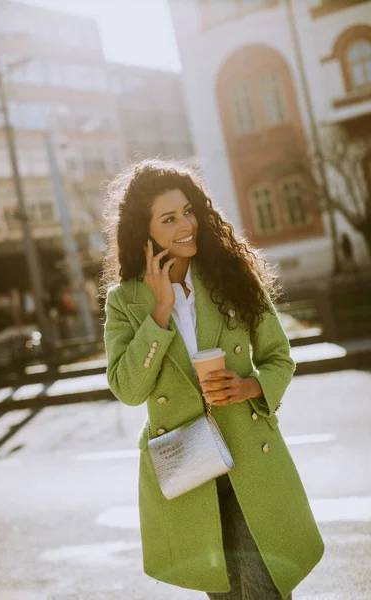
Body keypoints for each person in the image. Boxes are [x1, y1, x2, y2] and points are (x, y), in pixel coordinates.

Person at [102, 159, 324, 600]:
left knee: (265, 590)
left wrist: (250, 387)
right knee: (224, 594)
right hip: (190, 471)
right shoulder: (125, 301)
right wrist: (160, 310)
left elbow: (279, 357)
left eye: (188, 211)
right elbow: (128, 389)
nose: (186, 225)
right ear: (143, 231)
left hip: (250, 459)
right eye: (169, 219)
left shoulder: (232, 277)